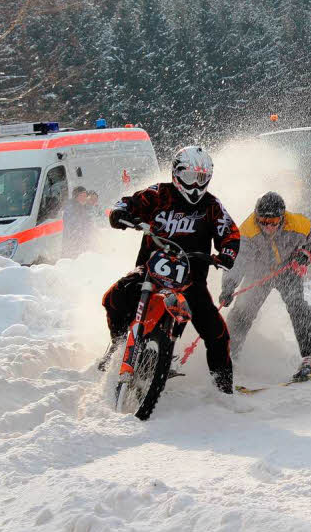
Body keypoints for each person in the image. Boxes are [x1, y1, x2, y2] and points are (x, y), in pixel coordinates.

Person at [101, 146, 241, 394]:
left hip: (190, 280)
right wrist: (121, 214)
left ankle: (224, 391)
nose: (196, 185)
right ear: (176, 174)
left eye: (202, 178)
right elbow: (125, 203)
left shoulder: (211, 205)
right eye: (190, 177)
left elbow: (229, 231)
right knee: (113, 297)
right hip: (148, 271)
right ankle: (118, 345)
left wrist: (227, 253)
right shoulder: (158, 194)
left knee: (217, 333)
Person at [220, 191, 311, 381]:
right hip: (259, 271)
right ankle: (226, 357)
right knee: (243, 309)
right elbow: (238, 262)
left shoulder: (296, 223)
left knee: (297, 305)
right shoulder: (247, 231)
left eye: (273, 222)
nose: (268, 227)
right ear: (257, 216)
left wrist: (306, 253)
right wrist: (228, 286)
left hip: (287, 269)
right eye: (263, 221)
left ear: (282, 217)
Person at [62, 186, 93, 258]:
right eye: (81, 195)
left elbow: (88, 224)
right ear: (75, 197)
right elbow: (73, 225)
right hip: (73, 244)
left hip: (83, 243)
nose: (84, 198)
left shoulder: (84, 207)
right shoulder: (71, 207)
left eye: (85, 196)